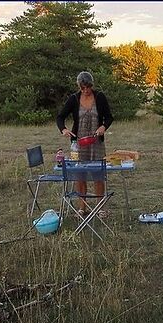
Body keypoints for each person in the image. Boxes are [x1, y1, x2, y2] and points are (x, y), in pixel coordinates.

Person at [56, 71, 114, 216]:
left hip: (96, 144)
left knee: (98, 176)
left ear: (92, 85)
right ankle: (82, 208)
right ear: (79, 87)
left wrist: (103, 127)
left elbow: (109, 118)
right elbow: (60, 117)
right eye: (83, 88)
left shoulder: (100, 97)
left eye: (88, 87)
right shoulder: (74, 99)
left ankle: (100, 208)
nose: (86, 90)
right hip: (79, 144)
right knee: (79, 176)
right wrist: (63, 129)